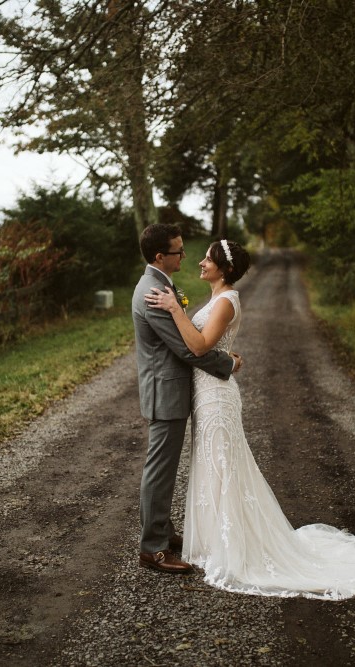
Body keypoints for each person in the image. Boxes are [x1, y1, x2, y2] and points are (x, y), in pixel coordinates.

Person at [144, 239, 355, 599]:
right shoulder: (216, 299)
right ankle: (212, 540)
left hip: (217, 398)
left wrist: (176, 309)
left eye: (209, 258)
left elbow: (199, 346)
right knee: (213, 465)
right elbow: (209, 346)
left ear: (225, 269)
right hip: (206, 394)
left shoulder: (226, 301)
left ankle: (234, 545)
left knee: (223, 465)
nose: (201, 262)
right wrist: (228, 357)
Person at [131, 223, 244, 574]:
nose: (185, 256)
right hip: (165, 392)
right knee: (160, 470)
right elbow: (188, 349)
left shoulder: (161, 284)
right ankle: (152, 548)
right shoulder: (152, 292)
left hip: (175, 390)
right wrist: (228, 362)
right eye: (179, 251)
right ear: (160, 256)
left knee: (164, 468)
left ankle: (163, 532)